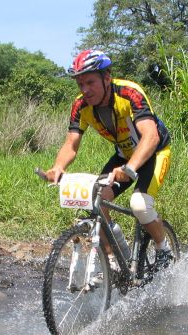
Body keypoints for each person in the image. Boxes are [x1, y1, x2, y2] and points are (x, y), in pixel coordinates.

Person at [44, 49, 173, 269]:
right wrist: (58, 167)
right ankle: (115, 260)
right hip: (124, 156)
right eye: (80, 84)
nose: (85, 90)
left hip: (153, 152)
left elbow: (150, 136)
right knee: (97, 200)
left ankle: (163, 248)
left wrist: (130, 168)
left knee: (140, 206)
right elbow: (71, 144)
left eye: (90, 82)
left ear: (107, 76)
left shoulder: (129, 93)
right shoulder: (80, 106)